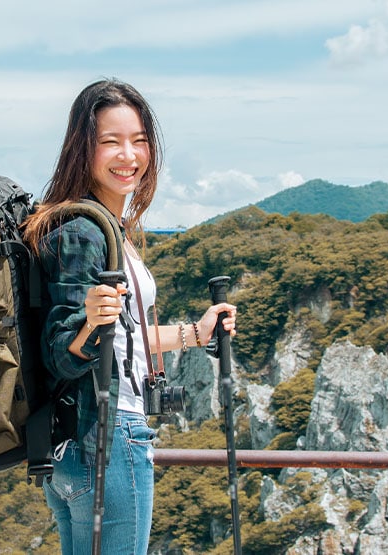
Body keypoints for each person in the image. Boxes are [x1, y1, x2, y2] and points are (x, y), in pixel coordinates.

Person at [23, 79, 237, 554]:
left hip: (74, 447)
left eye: (139, 141)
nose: (129, 155)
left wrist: (195, 332)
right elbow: (63, 352)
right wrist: (89, 324)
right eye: (111, 142)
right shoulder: (84, 231)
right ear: (83, 149)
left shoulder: (101, 224)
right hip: (108, 437)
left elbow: (122, 338)